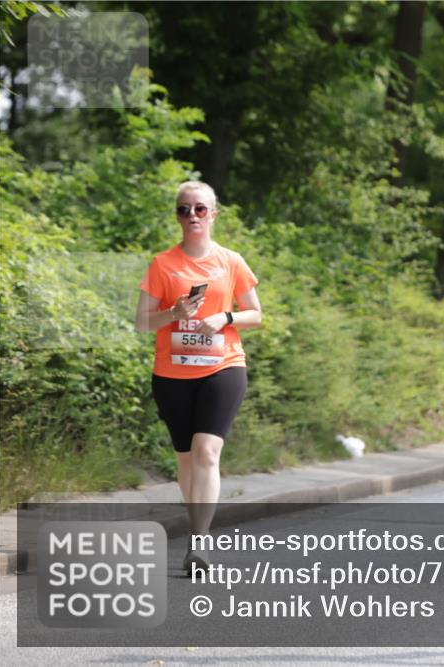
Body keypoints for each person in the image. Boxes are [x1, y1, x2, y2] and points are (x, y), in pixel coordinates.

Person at [135, 181, 262, 574]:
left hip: (222, 367)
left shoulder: (231, 261)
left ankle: (200, 545)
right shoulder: (162, 264)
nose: (192, 216)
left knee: (207, 452)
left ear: (213, 214)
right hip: (172, 373)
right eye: (184, 209)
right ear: (177, 215)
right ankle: (196, 531)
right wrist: (174, 314)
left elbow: (255, 314)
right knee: (186, 459)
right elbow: (142, 322)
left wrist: (223, 317)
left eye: (200, 209)